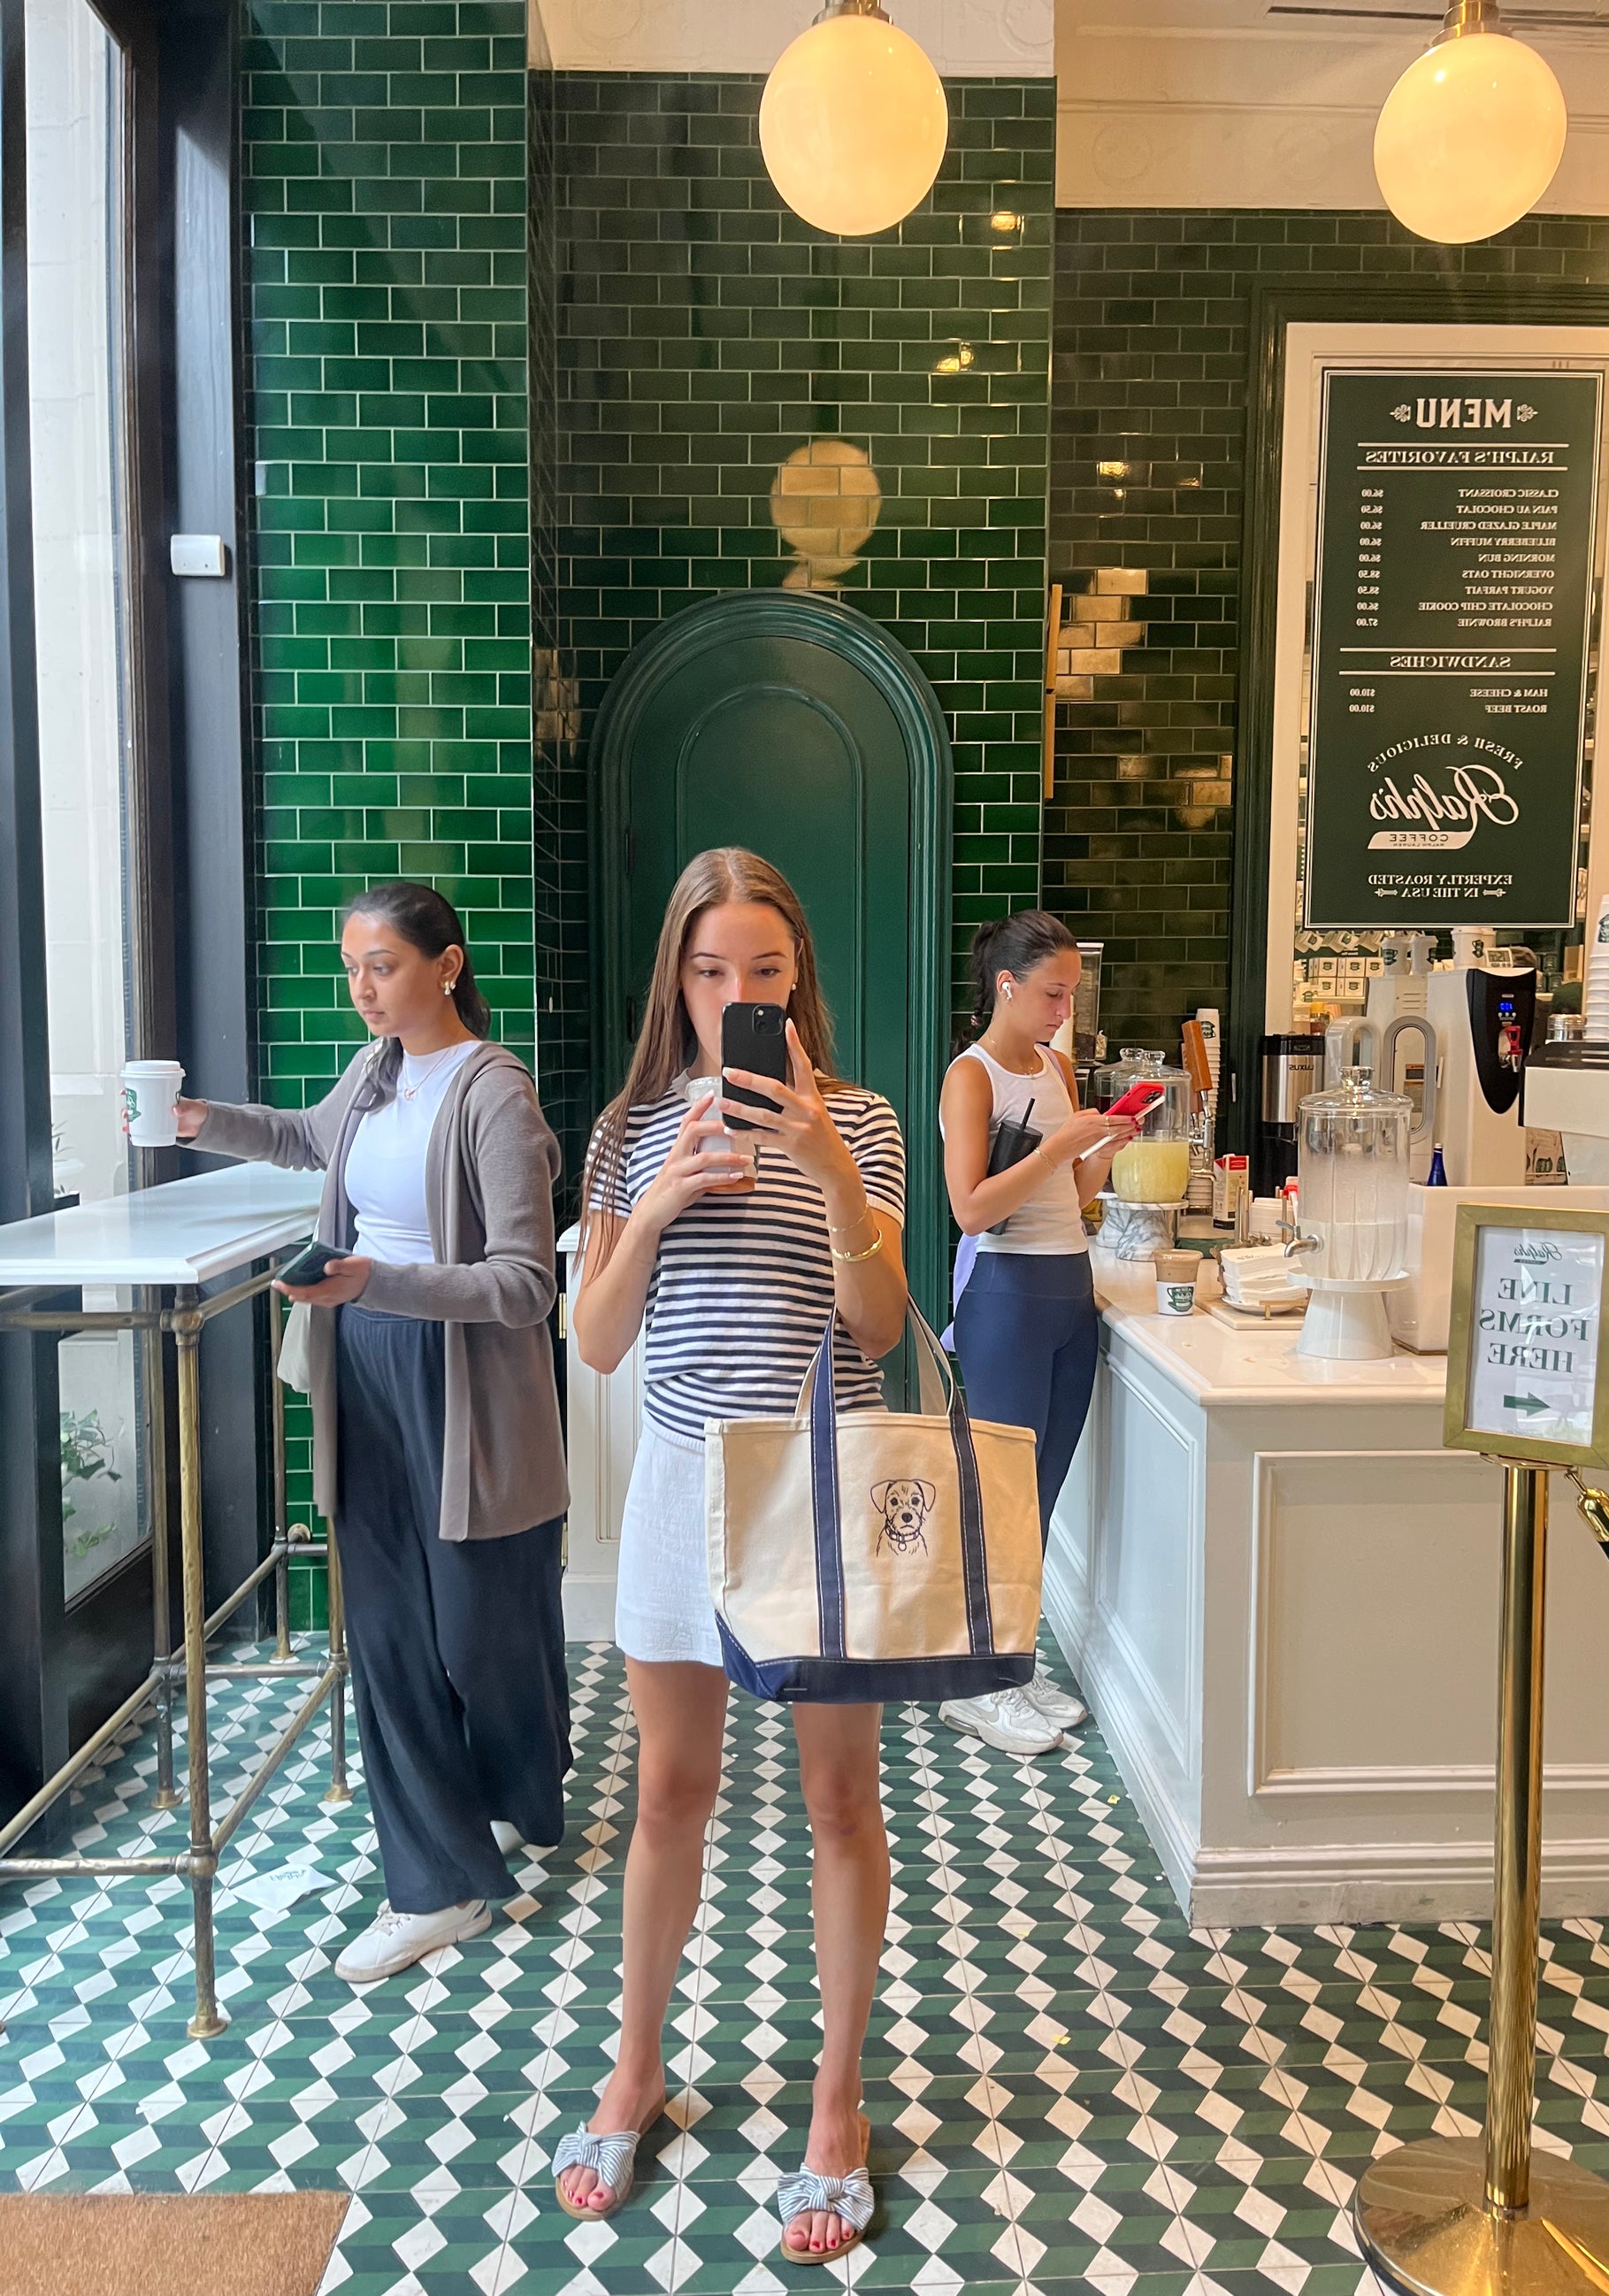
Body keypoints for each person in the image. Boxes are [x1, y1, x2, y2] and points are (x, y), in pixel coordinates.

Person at [552, 848, 908, 2268]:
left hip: (821, 1481)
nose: (736, 993)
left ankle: (837, 2099)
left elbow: (877, 1321)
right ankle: (634, 2065)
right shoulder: (627, 1126)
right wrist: (650, 1206)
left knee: (837, 1802)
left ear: (795, 977)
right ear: (677, 982)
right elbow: (594, 1335)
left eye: (763, 970)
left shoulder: (864, 1117)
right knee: (667, 1796)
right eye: (711, 972)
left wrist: (821, 1160)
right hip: (679, 1485)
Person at [172, 883, 571, 1981]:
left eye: (382, 965)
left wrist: (373, 1280)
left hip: (461, 1381)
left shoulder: (494, 1095)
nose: (362, 989)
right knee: (391, 1630)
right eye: (352, 967)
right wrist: (199, 1123)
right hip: (364, 1367)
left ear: (446, 967)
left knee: (479, 1632)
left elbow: (527, 1286)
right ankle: (435, 1883)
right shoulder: (377, 1073)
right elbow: (307, 1136)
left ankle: (512, 1794)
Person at [937, 910, 1133, 1756]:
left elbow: (1072, 1197)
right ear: (1006, 986)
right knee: (999, 1499)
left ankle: (1009, 1664)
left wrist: (1108, 1144)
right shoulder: (971, 1076)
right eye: (1054, 994)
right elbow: (972, 1207)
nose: (1065, 1012)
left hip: (1067, 1291)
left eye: (1073, 996)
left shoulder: (1056, 1068)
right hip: (1006, 1298)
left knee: (1041, 1496)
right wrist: (1063, 1152)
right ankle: (973, 1682)